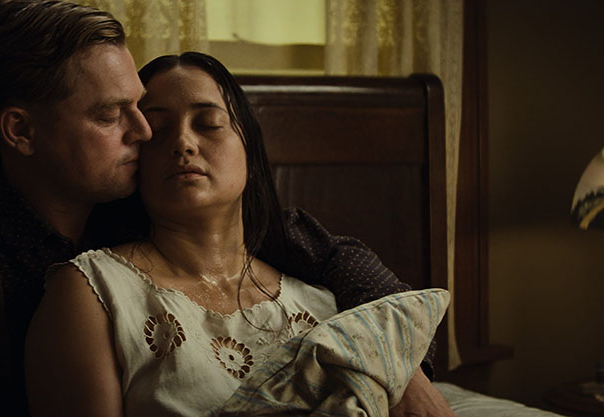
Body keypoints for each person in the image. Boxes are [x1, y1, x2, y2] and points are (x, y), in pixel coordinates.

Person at [0, 1, 444, 416]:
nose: (149, 134)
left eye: (139, 107)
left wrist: (403, 365)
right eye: (110, 115)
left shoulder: (173, 200)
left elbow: (335, 254)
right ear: (20, 131)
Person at [25, 51, 453, 417]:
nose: (183, 143)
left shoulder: (324, 300)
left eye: (209, 123)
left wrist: (405, 368)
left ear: (249, 145)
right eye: (158, 130)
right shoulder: (94, 292)